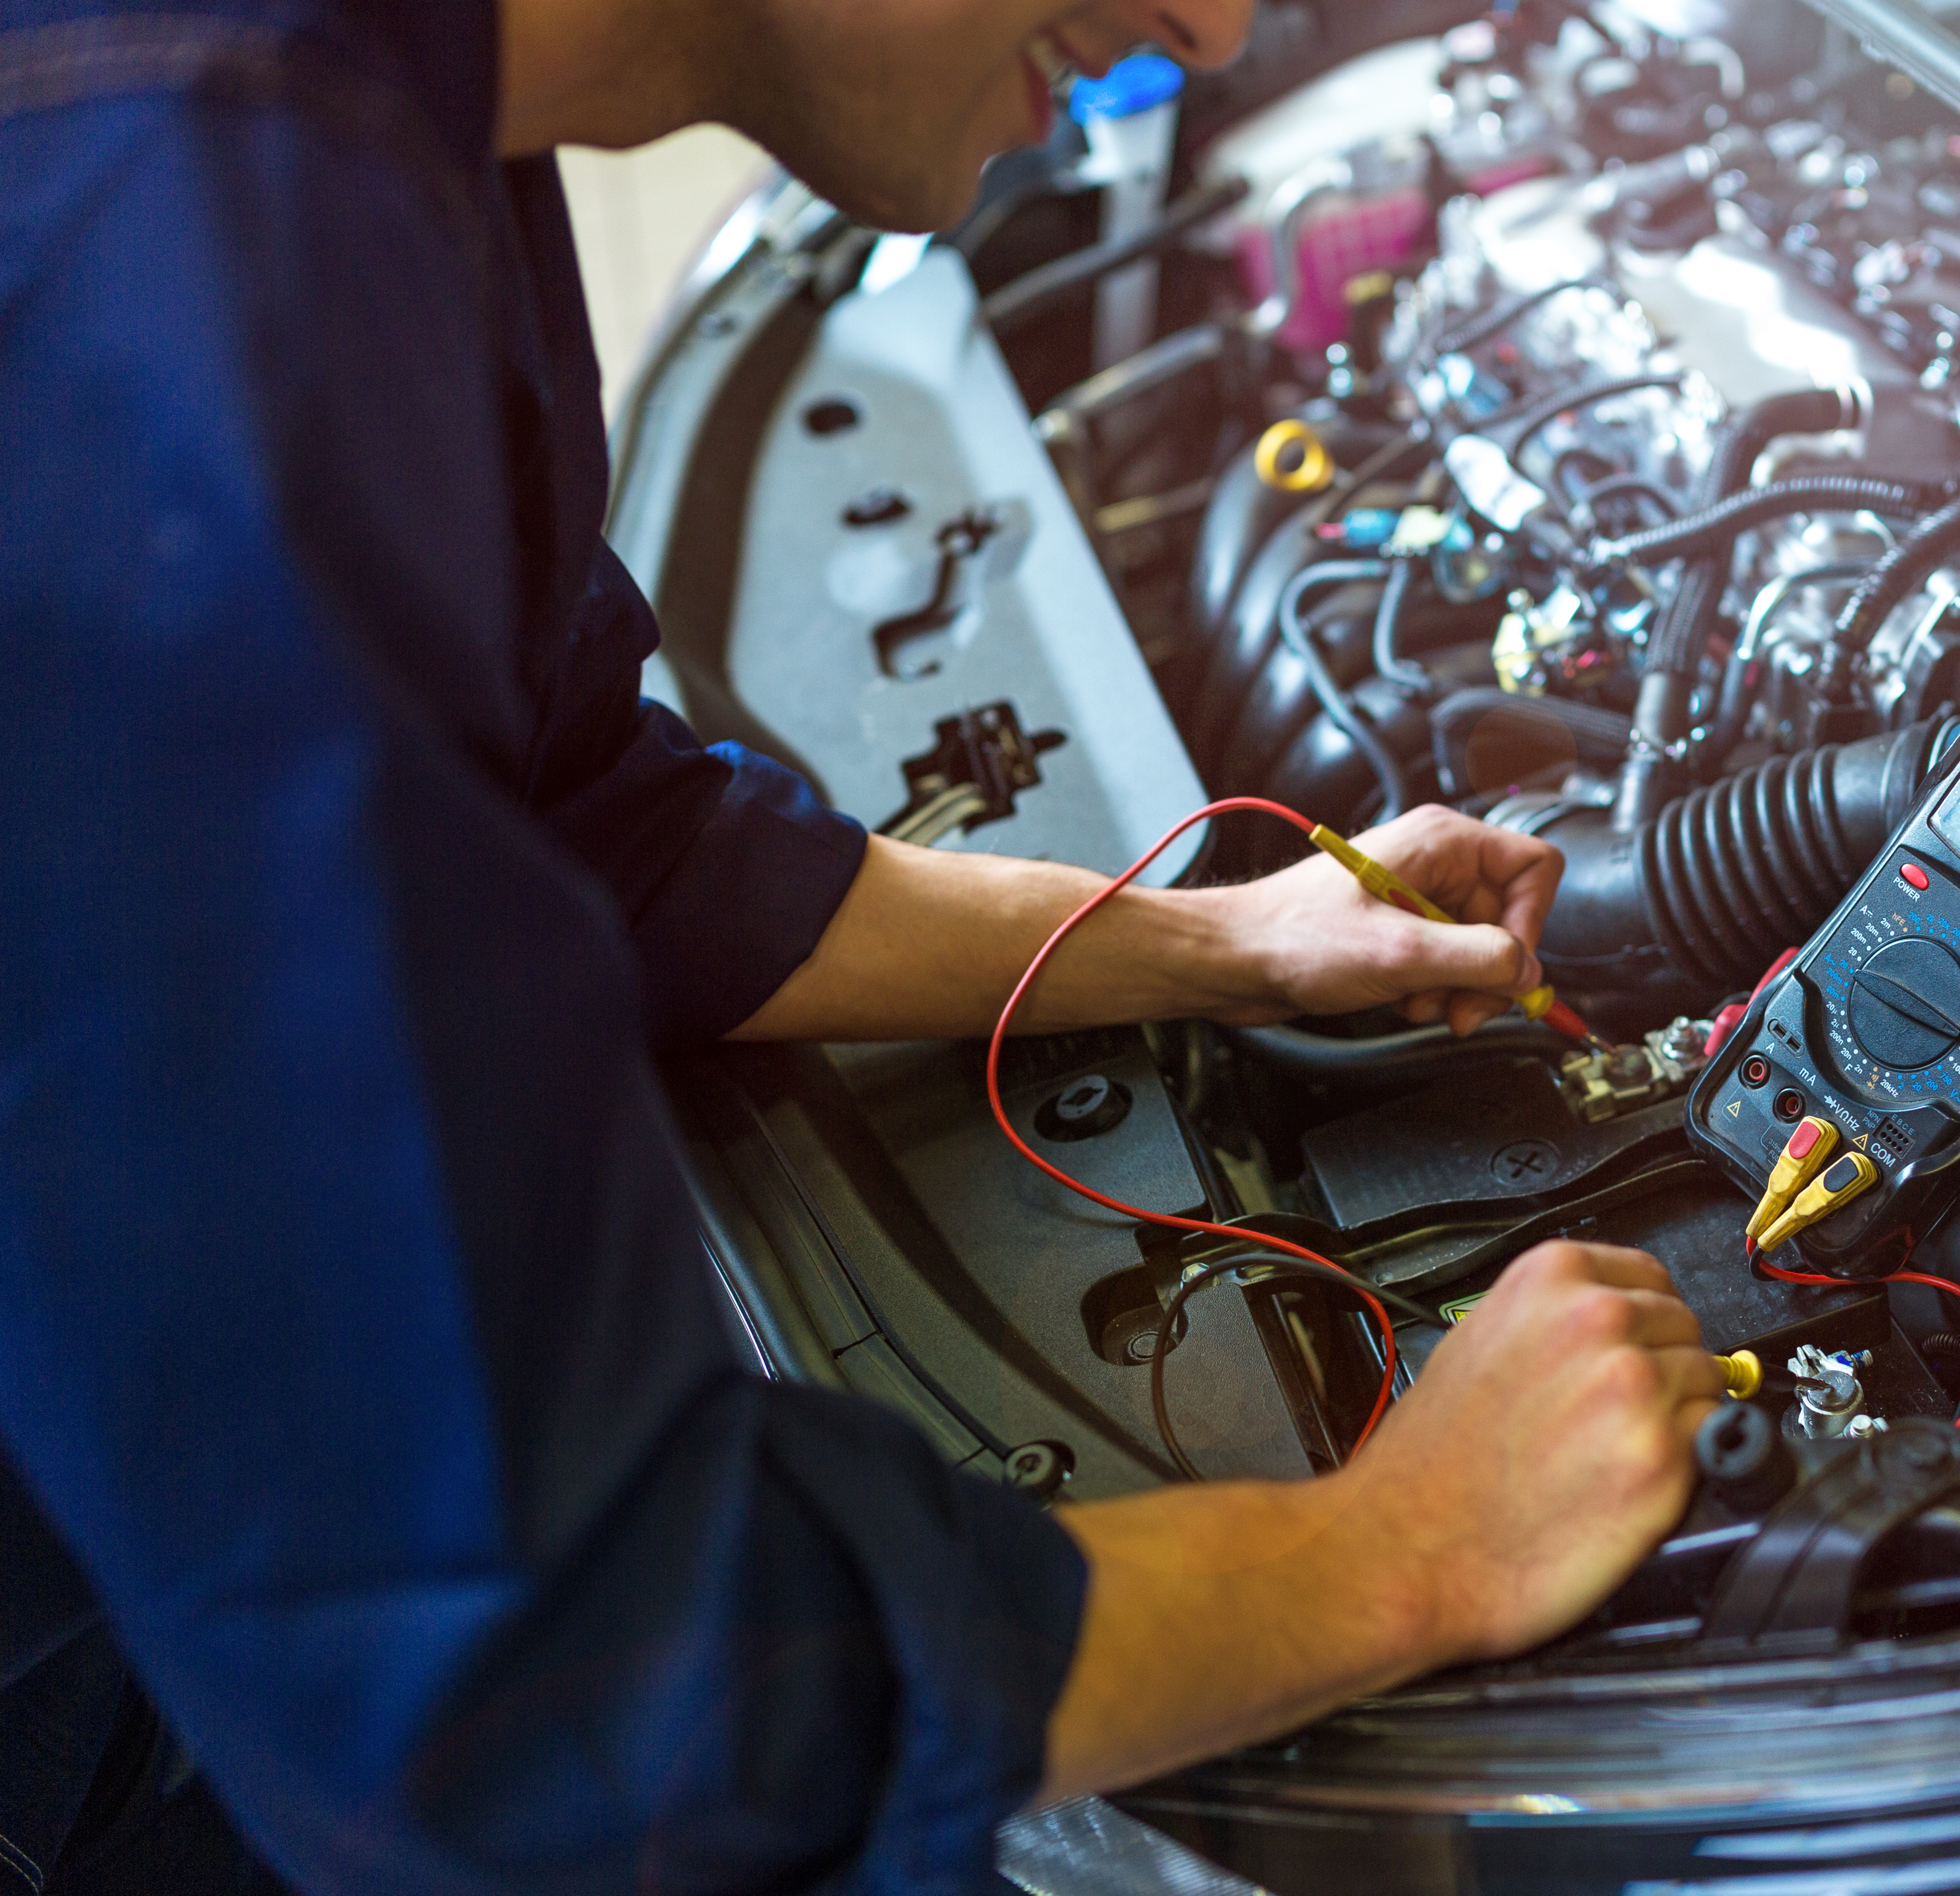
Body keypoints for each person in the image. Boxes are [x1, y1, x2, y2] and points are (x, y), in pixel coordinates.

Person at [0, 0, 1725, 1889]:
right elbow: (574, 1709)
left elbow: (585, 815)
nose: (1216, 25)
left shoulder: (363, 114)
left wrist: (1223, 944)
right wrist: (1410, 1550)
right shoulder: (179, 271)